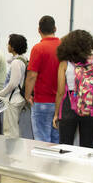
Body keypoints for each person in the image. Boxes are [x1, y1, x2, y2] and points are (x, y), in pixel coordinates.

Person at [51, 30, 93, 183]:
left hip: (70, 106)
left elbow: (60, 91)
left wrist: (56, 113)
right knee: (88, 147)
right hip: (90, 107)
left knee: (65, 146)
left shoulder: (65, 64)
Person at [25, 15, 61, 144]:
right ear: (55, 28)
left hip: (42, 101)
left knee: (42, 142)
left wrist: (27, 95)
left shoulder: (38, 49)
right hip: (61, 102)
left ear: (39, 30)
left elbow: (32, 76)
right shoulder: (63, 47)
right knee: (56, 142)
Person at [0, 34, 28, 138]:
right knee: (14, 127)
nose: (7, 45)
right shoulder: (23, 60)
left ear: (13, 47)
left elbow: (13, 83)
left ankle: (12, 149)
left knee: (10, 131)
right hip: (19, 98)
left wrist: (0, 94)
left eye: (9, 44)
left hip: (13, 99)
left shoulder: (16, 63)